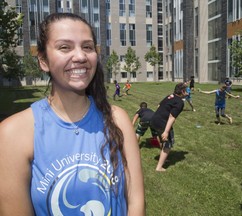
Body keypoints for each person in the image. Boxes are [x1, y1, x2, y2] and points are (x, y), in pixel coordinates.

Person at [0, 13, 145, 215]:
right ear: (43, 60)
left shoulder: (118, 119)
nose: (80, 56)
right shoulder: (13, 133)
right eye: (64, 47)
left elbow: (136, 201)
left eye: (87, 47)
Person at [150, 83, 188, 171]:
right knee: (168, 143)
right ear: (182, 91)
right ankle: (159, 167)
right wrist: (166, 131)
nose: (188, 91)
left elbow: (159, 106)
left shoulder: (170, 96)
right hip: (162, 122)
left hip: (154, 120)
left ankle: (163, 158)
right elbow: (171, 117)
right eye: (187, 90)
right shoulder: (180, 102)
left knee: (163, 139)